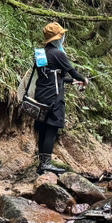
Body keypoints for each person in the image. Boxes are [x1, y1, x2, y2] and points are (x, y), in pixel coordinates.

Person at [32, 21, 87, 173]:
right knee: (52, 128)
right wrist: (83, 80)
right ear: (57, 38)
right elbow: (72, 71)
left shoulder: (43, 53)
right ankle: (46, 163)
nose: (63, 38)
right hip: (54, 98)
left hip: (41, 96)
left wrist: (72, 81)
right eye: (61, 35)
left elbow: (52, 75)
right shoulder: (58, 54)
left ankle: (42, 165)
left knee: (43, 129)